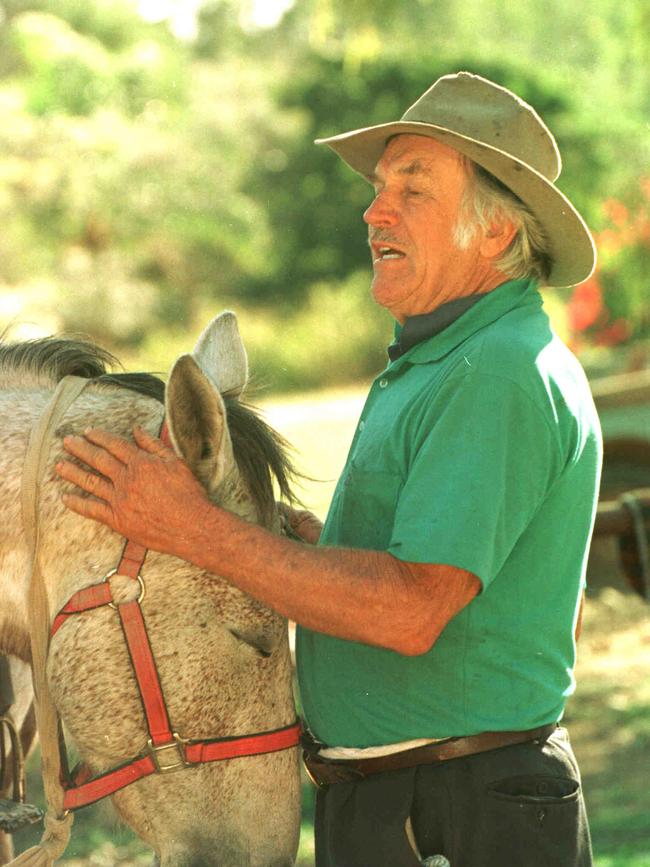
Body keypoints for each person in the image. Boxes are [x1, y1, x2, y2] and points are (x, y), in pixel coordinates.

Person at [56, 71, 601, 867]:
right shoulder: (445, 361)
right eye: (380, 189)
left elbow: (410, 613)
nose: (374, 210)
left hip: (456, 810)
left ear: (494, 234)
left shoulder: (496, 371)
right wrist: (311, 551)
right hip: (421, 798)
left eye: (413, 190)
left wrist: (193, 528)